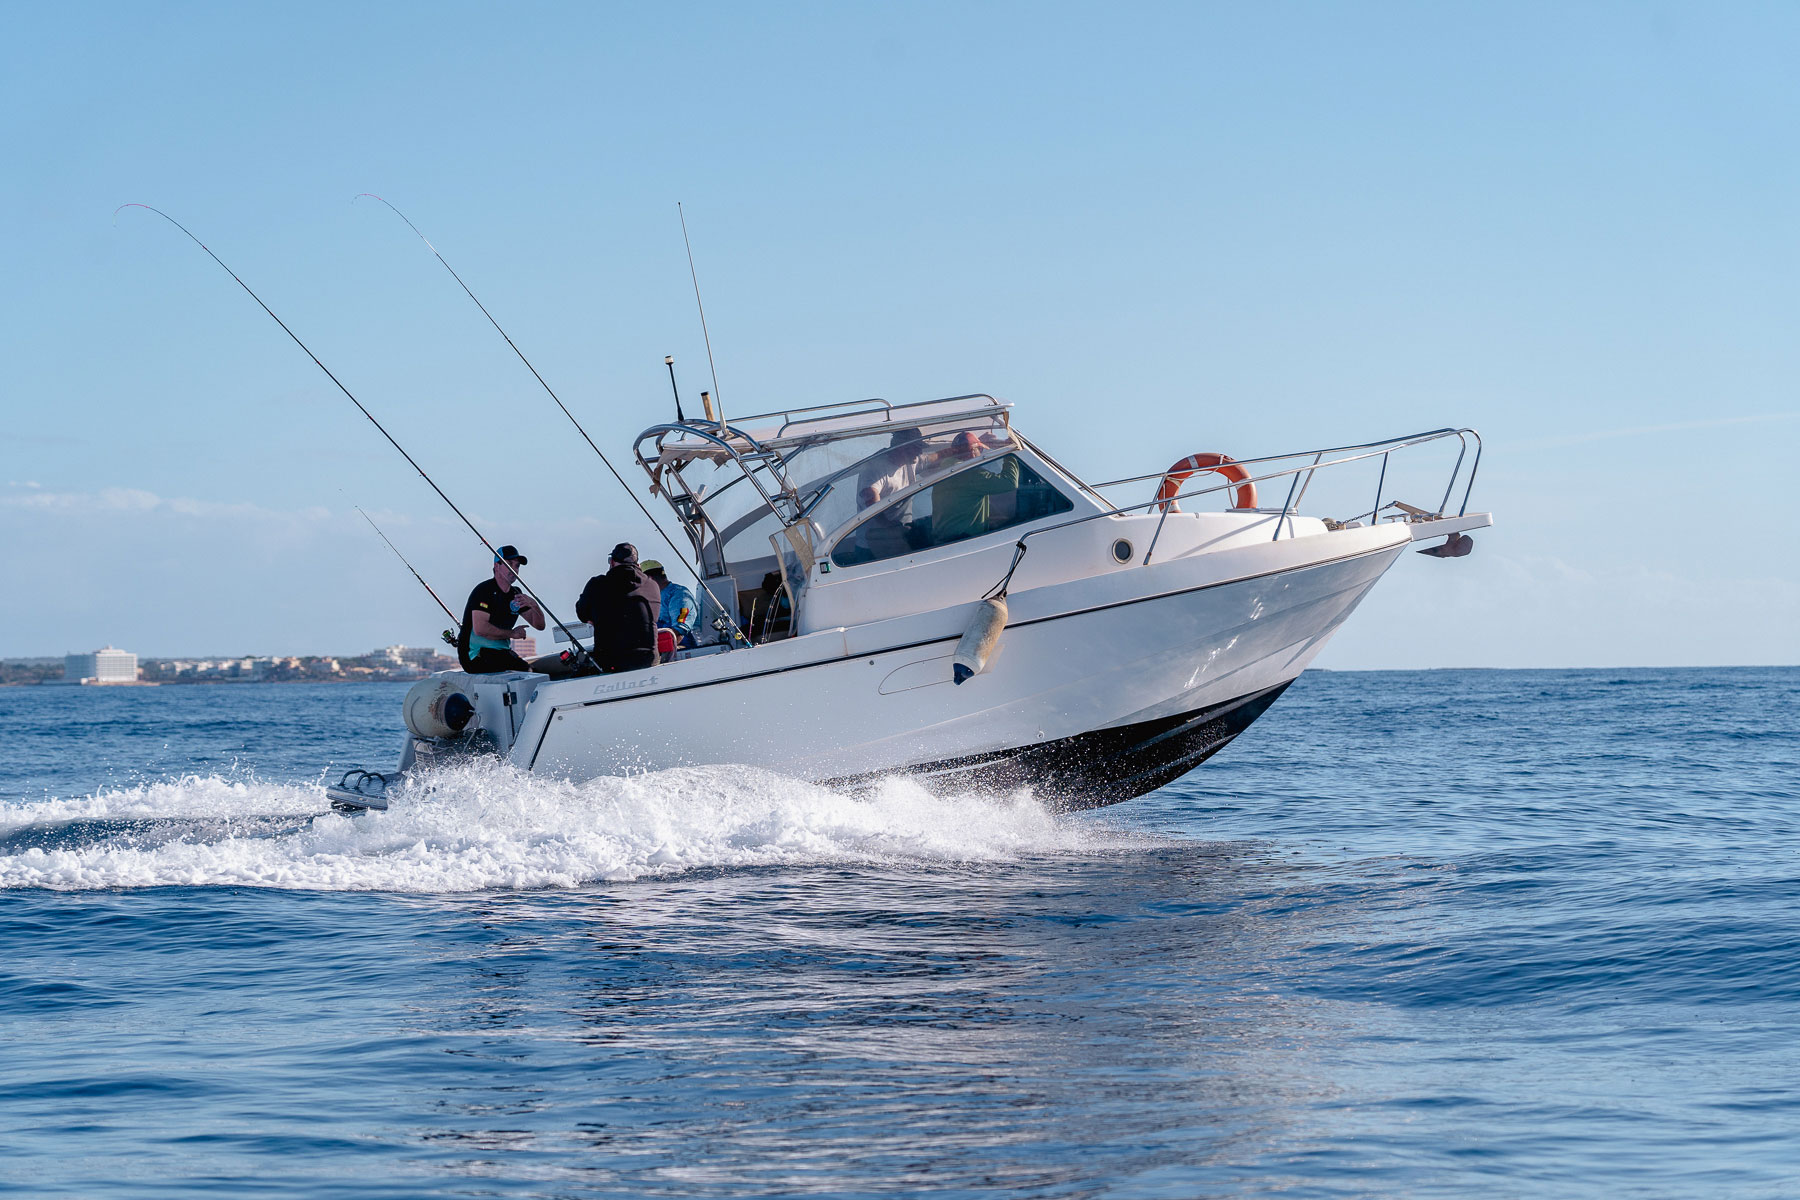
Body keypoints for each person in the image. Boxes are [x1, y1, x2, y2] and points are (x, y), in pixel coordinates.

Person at [457, 545, 545, 674]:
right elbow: (480, 629)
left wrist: (534, 604)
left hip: (500, 652)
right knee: (527, 673)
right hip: (476, 654)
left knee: (533, 673)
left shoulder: (516, 594)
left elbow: (539, 625)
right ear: (497, 566)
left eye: (517, 565)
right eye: (509, 564)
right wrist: (512, 634)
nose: (514, 569)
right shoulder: (484, 591)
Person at [576, 542, 661, 673]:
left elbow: (582, 614)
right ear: (638, 565)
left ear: (612, 562)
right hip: (649, 662)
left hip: (612, 663)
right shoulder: (653, 586)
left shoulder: (597, 585)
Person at [929, 431, 1020, 544]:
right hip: (962, 542)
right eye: (979, 450)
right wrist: (1009, 452)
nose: (980, 453)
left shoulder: (946, 468)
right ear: (972, 452)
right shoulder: (969, 474)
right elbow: (1009, 482)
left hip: (944, 540)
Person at [641, 560, 697, 648]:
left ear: (650, 579)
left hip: (680, 651)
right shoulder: (651, 598)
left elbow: (679, 630)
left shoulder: (679, 594)